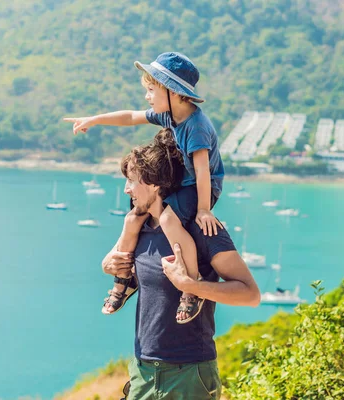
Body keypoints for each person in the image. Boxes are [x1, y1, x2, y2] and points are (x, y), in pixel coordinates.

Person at [64, 52, 225, 323]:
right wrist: (94, 119)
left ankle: (192, 285)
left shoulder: (196, 126)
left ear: (173, 92)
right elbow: (130, 117)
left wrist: (203, 210)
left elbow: (202, 172)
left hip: (201, 187)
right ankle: (125, 279)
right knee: (134, 216)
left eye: (151, 90)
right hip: (181, 182)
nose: (147, 97)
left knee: (168, 220)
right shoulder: (169, 115)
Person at [103, 130, 260, 399]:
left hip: (190, 374)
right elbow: (116, 265)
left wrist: (192, 286)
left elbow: (250, 295)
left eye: (131, 181)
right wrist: (108, 264)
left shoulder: (200, 229)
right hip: (143, 371)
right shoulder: (138, 227)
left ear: (154, 184)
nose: (126, 189)